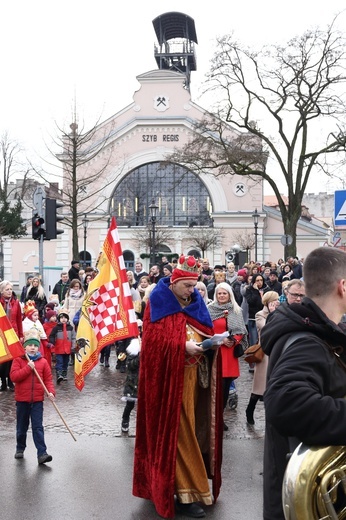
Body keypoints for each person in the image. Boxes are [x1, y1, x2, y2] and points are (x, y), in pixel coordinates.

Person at [133, 255, 223, 519]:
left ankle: (175, 485)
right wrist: (181, 346)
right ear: (174, 283)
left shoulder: (196, 304)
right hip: (168, 381)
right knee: (179, 432)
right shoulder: (157, 304)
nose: (192, 290)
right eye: (187, 285)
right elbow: (151, 344)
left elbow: (204, 328)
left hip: (195, 378)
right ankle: (188, 493)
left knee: (193, 429)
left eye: (194, 285)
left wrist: (212, 344)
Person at [261, 247, 346, 520]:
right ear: (343, 287)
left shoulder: (314, 332)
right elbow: (287, 402)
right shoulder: (308, 341)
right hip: (309, 504)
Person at [207, 282, 248, 431]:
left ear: (229, 294)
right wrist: (220, 339)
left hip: (229, 353)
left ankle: (220, 417)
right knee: (215, 388)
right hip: (216, 351)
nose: (222, 296)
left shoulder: (236, 310)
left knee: (225, 388)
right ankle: (212, 417)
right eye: (219, 293)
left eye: (224, 293)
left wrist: (234, 340)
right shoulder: (210, 309)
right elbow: (205, 329)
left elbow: (241, 330)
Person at [10, 330, 55, 464]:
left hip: (37, 401)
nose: (33, 347)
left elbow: (48, 379)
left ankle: (42, 453)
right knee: (22, 427)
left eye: (35, 345)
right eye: (30, 345)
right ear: (25, 346)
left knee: (38, 427)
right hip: (22, 400)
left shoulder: (43, 362)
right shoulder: (18, 360)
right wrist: (27, 368)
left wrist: (51, 392)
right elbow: (14, 377)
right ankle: (20, 448)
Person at [245, 291, 280, 425]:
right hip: (264, 353)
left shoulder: (281, 313)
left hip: (276, 353)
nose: (277, 302)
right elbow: (267, 329)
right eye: (275, 299)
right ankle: (250, 409)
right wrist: (272, 314)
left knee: (273, 386)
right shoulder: (260, 314)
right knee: (259, 387)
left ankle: (272, 417)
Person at [0, 280, 24, 391]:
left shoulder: (16, 303)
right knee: (3, 359)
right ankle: (3, 381)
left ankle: (10, 381)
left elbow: (19, 319)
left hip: (12, 333)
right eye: (7, 289)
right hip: (1, 334)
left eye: (10, 289)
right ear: (2, 291)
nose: (9, 291)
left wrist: (21, 334)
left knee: (12, 358)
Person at [49, 309, 76, 384]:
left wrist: (73, 346)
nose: (63, 319)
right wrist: (52, 343)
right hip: (59, 348)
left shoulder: (70, 328)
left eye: (65, 317)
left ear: (67, 318)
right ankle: (59, 374)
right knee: (59, 362)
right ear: (59, 319)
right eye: (61, 318)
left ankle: (64, 374)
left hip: (67, 349)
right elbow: (52, 336)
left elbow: (73, 337)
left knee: (66, 362)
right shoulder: (56, 328)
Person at [245, 273, 266, 346]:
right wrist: (256, 291)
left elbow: (263, 304)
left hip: (264, 317)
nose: (259, 282)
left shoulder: (266, 289)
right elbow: (251, 301)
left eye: (261, 280)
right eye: (257, 280)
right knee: (254, 341)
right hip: (253, 317)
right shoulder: (249, 290)